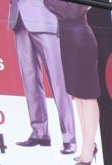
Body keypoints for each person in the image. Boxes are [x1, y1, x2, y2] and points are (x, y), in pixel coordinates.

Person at [6, 0, 75, 153]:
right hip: (19, 20)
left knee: (59, 82)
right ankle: (39, 132)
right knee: (30, 79)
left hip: (44, 18)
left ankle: (69, 138)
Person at [42, 0, 103, 165]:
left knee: (88, 95)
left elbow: (73, 12)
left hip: (82, 40)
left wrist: (61, 8)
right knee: (77, 94)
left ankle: (89, 147)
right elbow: (48, 3)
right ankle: (87, 143)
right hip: (66, 40)